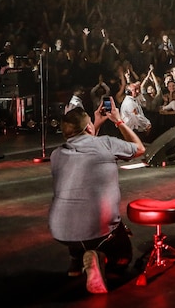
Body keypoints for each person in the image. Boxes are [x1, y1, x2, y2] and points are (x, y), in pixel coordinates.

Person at [49, 99, 145, 293]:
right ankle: (98, 258)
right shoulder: (106, 144)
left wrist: (94, 124)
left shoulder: (56, 155)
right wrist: (118, 121)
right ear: (89, 128)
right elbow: (140, 148)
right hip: (100, 231)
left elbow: (86, 148)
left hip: (61, 230)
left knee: (76, 201)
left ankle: (76, 263)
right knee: (123, 258)